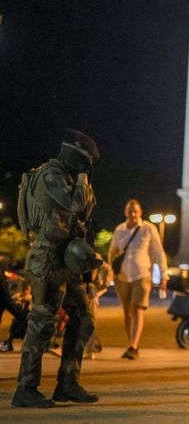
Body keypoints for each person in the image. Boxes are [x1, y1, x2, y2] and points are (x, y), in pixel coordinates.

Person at [13, 129, 102, 408]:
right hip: (48, 258)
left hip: (66, 259)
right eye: (86, 161)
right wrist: (84, 180)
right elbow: (73, 204)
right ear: (76, 155)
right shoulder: (49, 176)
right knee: (42, 323)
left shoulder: (68, 177)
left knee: (84, 316)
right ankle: (25, 388)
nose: (87, 167)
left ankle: (67, 383)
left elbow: (86, 211)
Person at [109, 199, 168, 360]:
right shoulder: (119, 230)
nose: (133, 214)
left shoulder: (148, 229)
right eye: (130, 211)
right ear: (125, 212)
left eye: (135, 211)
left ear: (140, 212)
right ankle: (132, 343)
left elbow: (158, 252)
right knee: (127, 313)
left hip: (142, 275)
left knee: (137, 309)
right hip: (122, 276)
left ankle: (133, 346)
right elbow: (113, 251)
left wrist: (163, 274)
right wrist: (110, 271)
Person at [84, 255, 113, 359]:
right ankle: (86, 348)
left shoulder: (93, 255)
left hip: (89, 292)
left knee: (89, 320)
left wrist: (103, 285)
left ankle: (89, 349)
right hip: (85, 291)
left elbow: (107, 269)